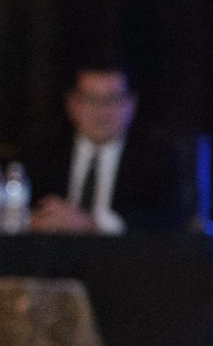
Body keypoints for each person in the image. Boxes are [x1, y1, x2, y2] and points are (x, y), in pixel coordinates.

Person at [23, 64, 197, 234]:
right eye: (91, 99)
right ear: (71, 104)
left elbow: (173, 218)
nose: (102, 111)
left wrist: (93, 223)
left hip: (128, 258)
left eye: (113, 100)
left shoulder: (159, 154)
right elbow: (22, 207)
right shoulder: (44, 149)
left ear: (131, 104)